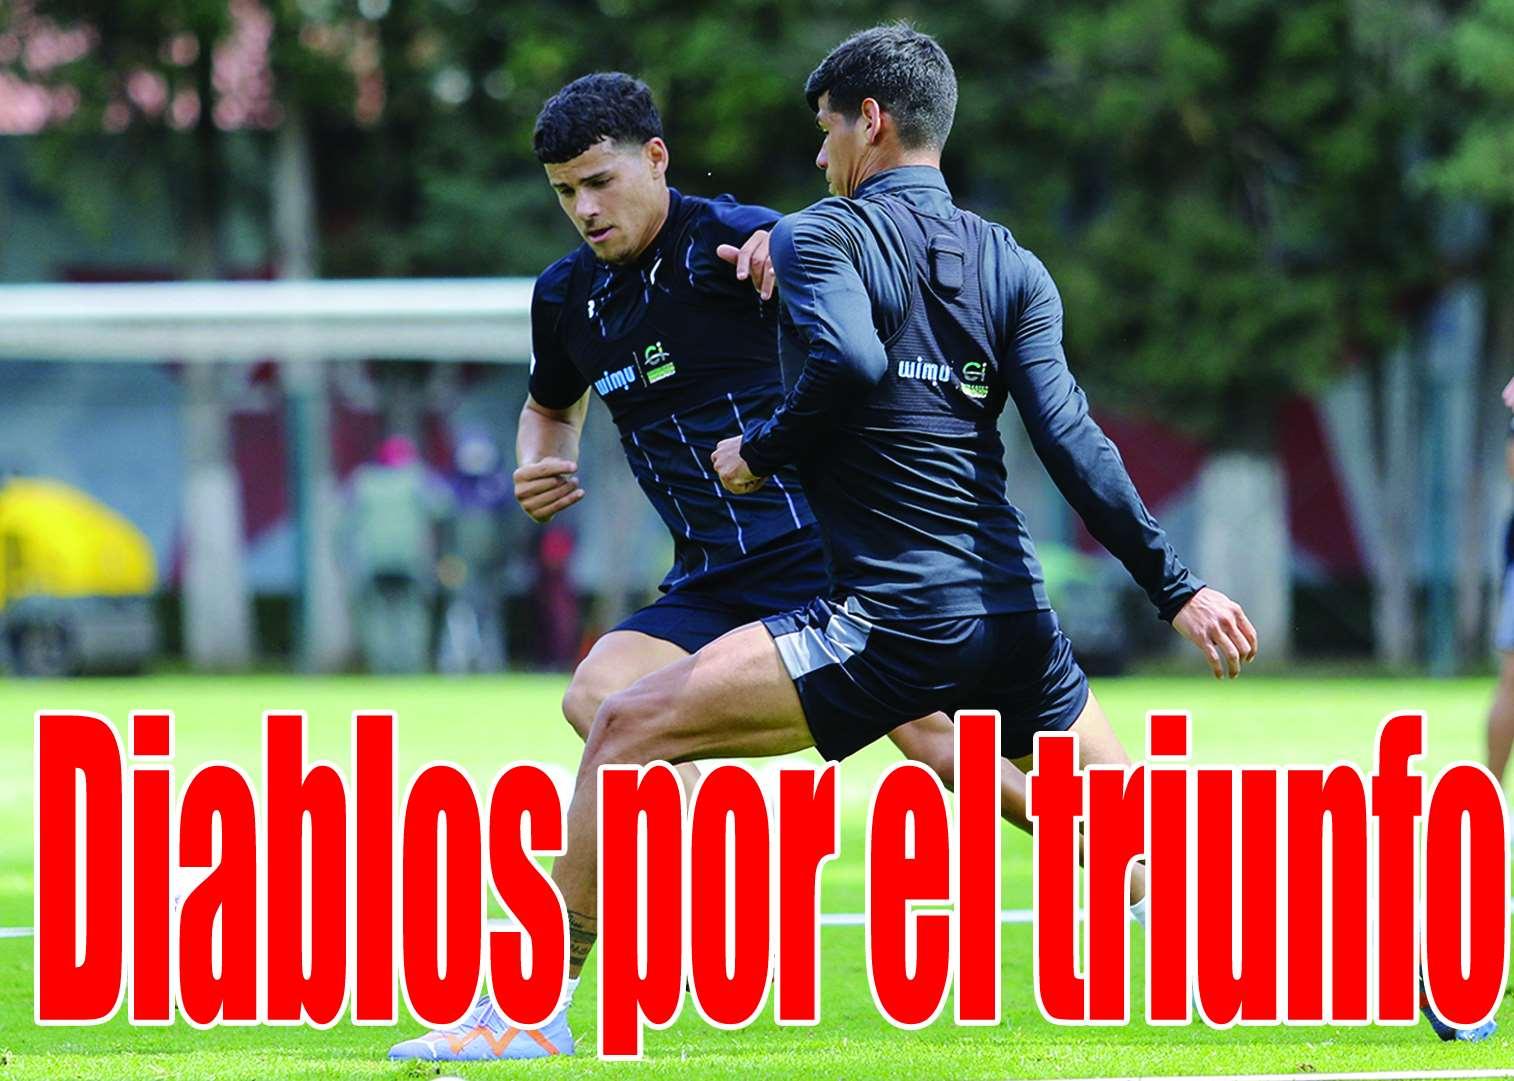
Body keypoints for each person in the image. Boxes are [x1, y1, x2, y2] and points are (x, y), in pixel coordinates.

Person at [388, 70, 1070, 1062]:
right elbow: (548, 403)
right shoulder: (566, 297)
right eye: (564, 191)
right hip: (712, 578)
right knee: (600, 699)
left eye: (599, 181)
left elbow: (856, 283)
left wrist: (787, 255)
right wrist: (543, 455)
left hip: (825, 557)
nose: (584, 208)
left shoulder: (739, 237)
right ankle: (662, 905)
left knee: (942, 750)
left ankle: (1140, 869)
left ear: (656, 159)